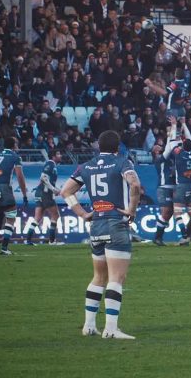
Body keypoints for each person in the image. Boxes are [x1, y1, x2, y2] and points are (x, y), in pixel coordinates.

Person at [60, 130, 141, 339]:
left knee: (99, 276)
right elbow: (135, 185)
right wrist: (131, 210)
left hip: (96, 225)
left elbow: (65, 192)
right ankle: (111, 329)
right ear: (117, 147)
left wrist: (82, 213)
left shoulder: (85, 166)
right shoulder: (122, 162)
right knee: (116, 277)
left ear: (99, 147)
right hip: (116, 223)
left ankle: (88, 326)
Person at [152, 118, 187, 246]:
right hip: (164, 187)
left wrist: (178, 132)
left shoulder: (170, 157)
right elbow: (169, 146)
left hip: (173, 186)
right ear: (155, 152)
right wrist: (173, 126)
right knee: (166, 212)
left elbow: (173, 146)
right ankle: (157, 237)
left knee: (172, 212)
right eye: (156, 147)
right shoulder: (160, 159)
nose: (158, 146)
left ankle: (160, 237)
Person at [26, 150, 64, 245]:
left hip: (40, 193)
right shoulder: (50, 164)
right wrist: (53, 189)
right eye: (58, 153)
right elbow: (43, 177)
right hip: (45, 194)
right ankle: (52, 241)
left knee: (37, 218)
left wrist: (54, 189)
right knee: (55, 215)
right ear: (53, 156)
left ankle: (28, 240)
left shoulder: (52, 165)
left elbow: (44, 180)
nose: (61, 155)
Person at [171, 137, 191, 245]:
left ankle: (184, 237)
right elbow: (190, 143)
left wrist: (174, 127)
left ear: (183, 146)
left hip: (181, 186)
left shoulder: (179, 154)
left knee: (177, 213)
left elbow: (172, 144)